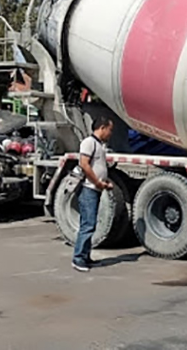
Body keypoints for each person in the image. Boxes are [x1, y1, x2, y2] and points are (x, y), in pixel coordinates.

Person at [72, 115, 114, 272]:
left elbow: (97, 166)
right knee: (87, 225)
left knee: (91, 224)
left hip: (95, 188)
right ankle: (78, 259)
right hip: (88, 188)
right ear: (102, 128)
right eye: (110, 130)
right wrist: (97, 182)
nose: (111, 133)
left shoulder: (99, 144)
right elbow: (84, 164)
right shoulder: (89, 143)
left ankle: (85, 256)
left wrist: (104, 182)